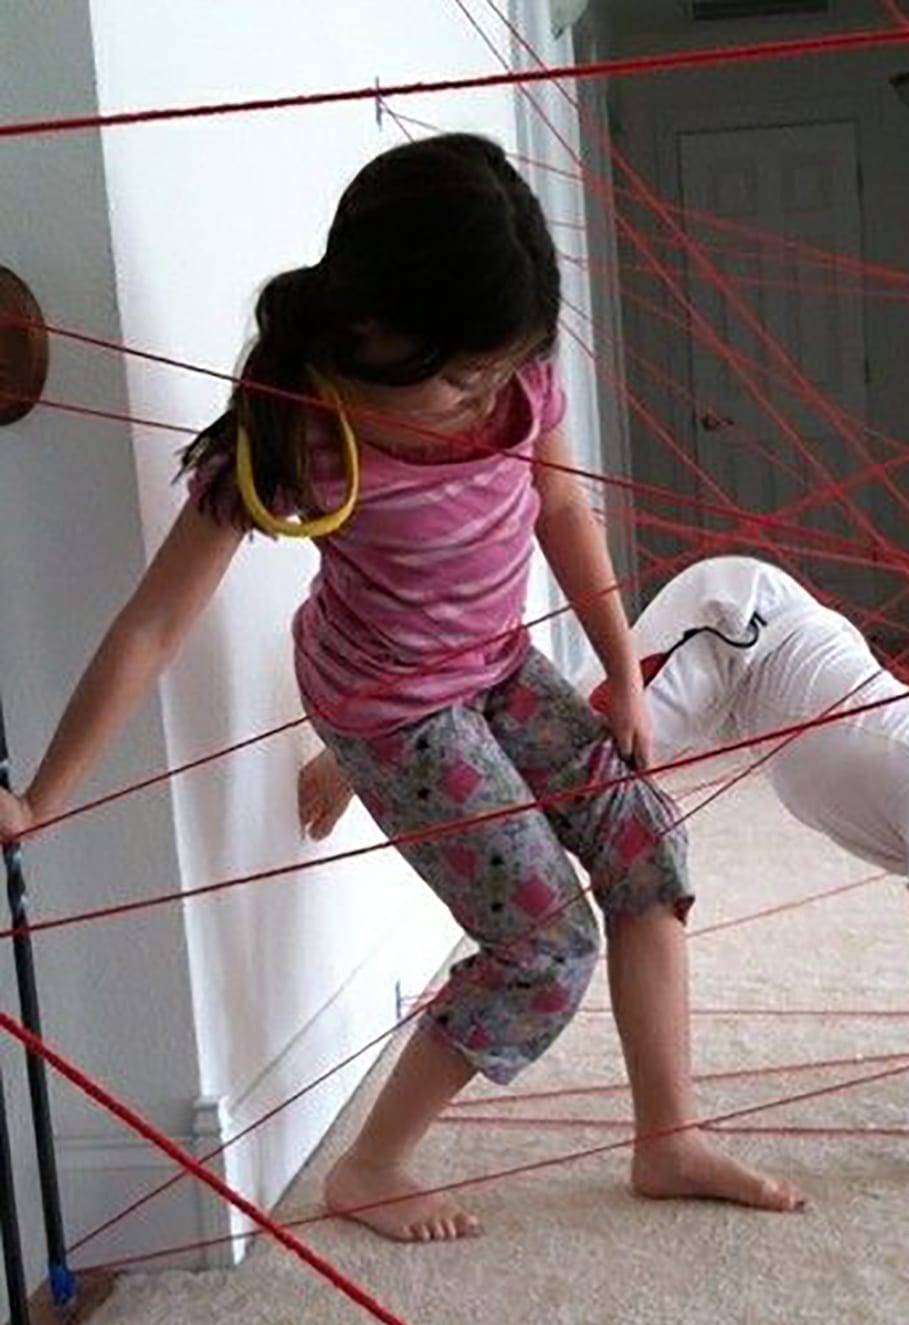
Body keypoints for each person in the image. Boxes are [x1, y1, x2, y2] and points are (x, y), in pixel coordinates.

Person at [0, 137, 803, 1243]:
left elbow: (561, 511)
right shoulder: (297, 429)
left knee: (648, 849)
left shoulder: (519, 380)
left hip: (499, 661)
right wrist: (43, 796)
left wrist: (620, 668)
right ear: (370, 325)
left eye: (499, 369)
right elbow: (153, 622)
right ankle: (370, 1165)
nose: (486, 397)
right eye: (463, 376)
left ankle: (667, 1137)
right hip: (391, 705)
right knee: (544, 944)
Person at [303, 553, 909, 1183]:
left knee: (604, 792)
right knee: (585, 755)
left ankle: (410, 722)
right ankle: (375, 736)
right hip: (742, 628)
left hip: (762, 682)